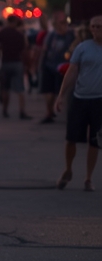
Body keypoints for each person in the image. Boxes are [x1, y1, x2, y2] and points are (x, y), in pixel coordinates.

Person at [55, 14, 102, 191]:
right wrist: (61, 95)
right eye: (93, 26)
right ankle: (68, 169)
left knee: (94, 141)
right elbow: (71, 72)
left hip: (98, 100)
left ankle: (88, 178)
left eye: (99, 26)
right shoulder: (83, 48)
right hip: (80, 98)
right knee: (71, 138)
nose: (96, 29)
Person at [38, 11, 75, 123]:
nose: (63, 25)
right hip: (50, 66)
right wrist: (41, 65)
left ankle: (67, 113)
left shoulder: (71, 35)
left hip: (65, 68)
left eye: (65, 22)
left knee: (64, 91)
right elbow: (44, 50)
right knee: (48, 91)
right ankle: (49, 112)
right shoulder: (51, 35)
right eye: (61, 22)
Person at [0, 14, 30, 120]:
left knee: (6, 88)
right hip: (17, 62)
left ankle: (5, 110)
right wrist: (26, 64)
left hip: (6, 62)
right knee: (20, 89)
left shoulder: (2, 33)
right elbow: (24, 50)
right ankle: (22, 111)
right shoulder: (19, 35)